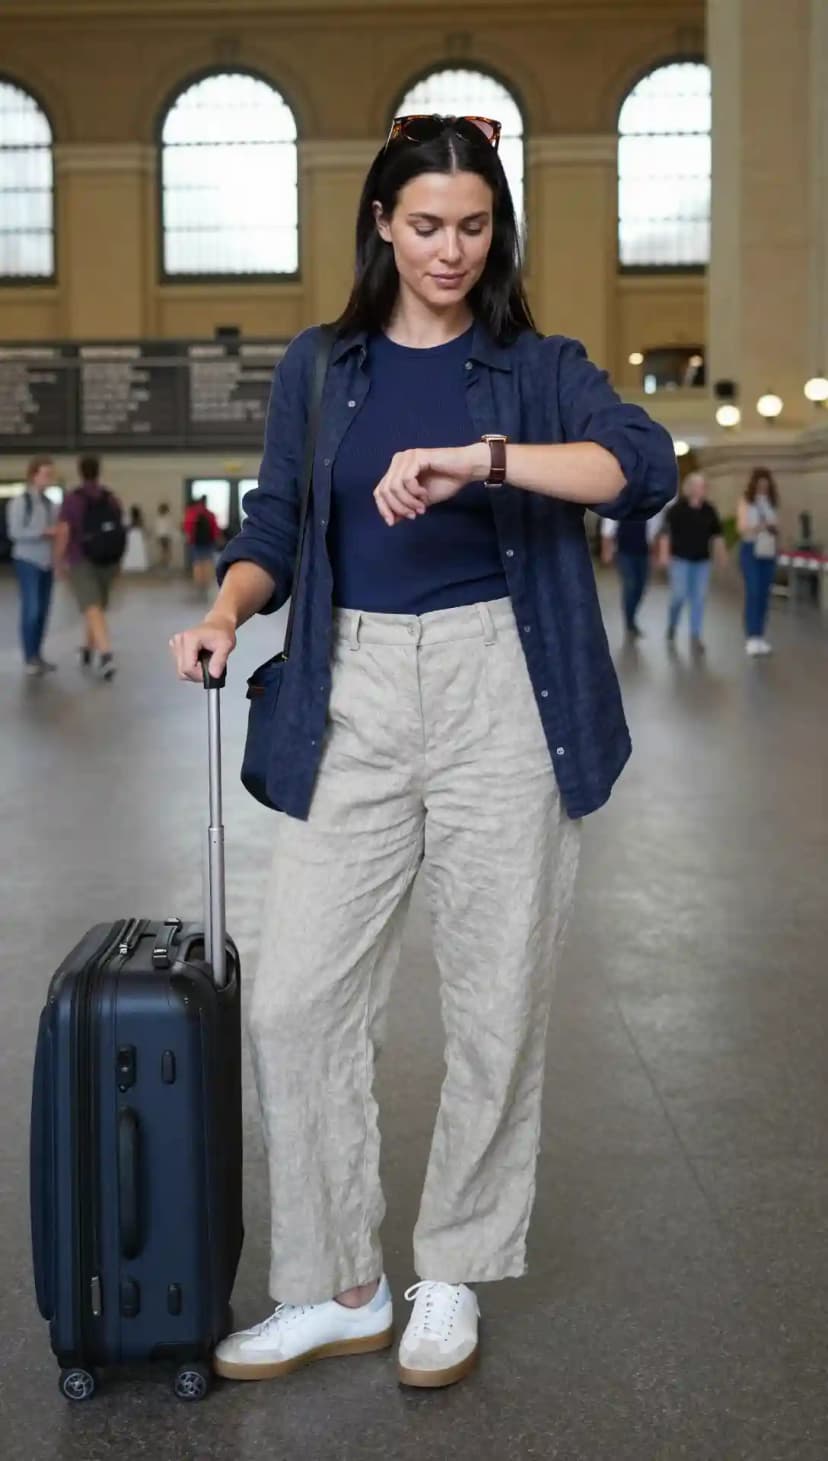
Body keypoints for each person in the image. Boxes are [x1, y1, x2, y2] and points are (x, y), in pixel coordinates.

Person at [170, 112, 675, 1391]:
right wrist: (228, 609)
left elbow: (643, 464)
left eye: (475, 225)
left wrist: (482, 459)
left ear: (494, 231)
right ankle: (340, 1284)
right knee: (294, 1000)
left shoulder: (536, 364)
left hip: (505, 678)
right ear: (383, 226)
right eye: (427, 224)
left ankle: (448, 1267)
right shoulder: (320, 367)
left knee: (495, 995)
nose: (452, 249)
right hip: (354, 684)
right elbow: (278, 519)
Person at [54, 454, 125, 681]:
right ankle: (87, 648)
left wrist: (58, 560)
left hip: (81, 559)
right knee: (95, 610)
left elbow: (64, 532)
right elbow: (119, 530)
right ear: (98, 471)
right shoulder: (111, 498)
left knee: (92, 608)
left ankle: (106, 656)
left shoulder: (73, 499)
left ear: (80, 471)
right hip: (109, 561)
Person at [661, 472, 727, 653]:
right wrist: (664, 555)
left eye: (704, 486)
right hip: (680, 560)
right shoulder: (676, 510)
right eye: (699, 486)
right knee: (679, 596)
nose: (702, 489)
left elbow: (717, 535)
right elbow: (665, 534)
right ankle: (672, 624)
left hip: (702, 562)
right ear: (689, 488)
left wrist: (721, 555)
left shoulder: (709, 510)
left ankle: (695, 636)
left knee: (699, 599)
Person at [6, 455, 59, 676]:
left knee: (44, 611)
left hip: (47, 563)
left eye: (50, 474)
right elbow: (14, 533)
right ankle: (29, 657)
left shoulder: (50, 504)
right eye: (45, 474)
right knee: (32, 608)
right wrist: (43, 533)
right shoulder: (20, 503)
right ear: (33, 475)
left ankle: (38, 654)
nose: (48, 478)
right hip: (27, 561)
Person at [600, 510, 665, 639]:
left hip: (643, 553)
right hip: (624, 553)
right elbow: (607, 530)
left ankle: (631, 616)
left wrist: (655, 554)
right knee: (630, 586)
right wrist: (606, 551)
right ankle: (630, 622)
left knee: (641, 588)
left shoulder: (647, 507)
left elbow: (653, 533)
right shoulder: (621, 504)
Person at [738, 467, 779, 656]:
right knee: (753, 591)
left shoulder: (770, 503)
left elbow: (776, 524)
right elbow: (742, 528)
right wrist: (760, 525)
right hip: (751, 550)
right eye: (760, 484)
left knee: (764, 594)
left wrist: (772, 527)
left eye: (766, 485)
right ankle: (751, 636)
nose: (763, 488)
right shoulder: (746, 502)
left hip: (768, 551)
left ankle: (760, 635)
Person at [182, 495, 220, 597]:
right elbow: (215, 528)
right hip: (208, 541)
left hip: (195, 542)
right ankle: (207, 583)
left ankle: (199, 584)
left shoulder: (191, 513)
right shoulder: (209, 513)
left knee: (197, 563)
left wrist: (189, 539)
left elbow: (187, 528)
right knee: (208, 562)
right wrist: (216, 538)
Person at [121, 505, 150, 572]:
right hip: (138, 535)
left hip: (131, 535)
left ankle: (130, 565)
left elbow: (126, 527)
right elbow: (142, 527)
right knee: (138, 550)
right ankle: (139, 564)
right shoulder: (140, 519)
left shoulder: (129, 518)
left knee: (130, 550)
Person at [154, 501, 173, 571]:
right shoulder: (163, 517)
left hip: (164, 536)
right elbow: (159, 527)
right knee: (165, 551)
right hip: (163, 536)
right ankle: (164, 564)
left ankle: (165, 564)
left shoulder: (164, 517)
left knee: (165, 551)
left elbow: (168, 527)